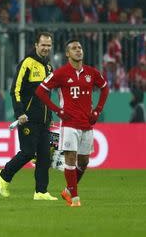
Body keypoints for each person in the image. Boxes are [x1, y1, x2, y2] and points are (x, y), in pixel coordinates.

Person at [35, 39, 109, 207]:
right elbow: (40, 91)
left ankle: (68, 189)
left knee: (83, 162)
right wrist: (58, 110)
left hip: (87, 124)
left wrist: (97, 110)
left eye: (80, 47)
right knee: (70, 158)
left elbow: (105, 88)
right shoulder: (61, 73)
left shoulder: (91, 72)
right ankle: (74, 199)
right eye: (74, 48)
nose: (78, 50)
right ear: (67, 53)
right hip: (69, 124)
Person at [0, 32, 57, 201]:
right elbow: (15, 89)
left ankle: (41, 192)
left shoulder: (49, 67)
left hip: (44, 120)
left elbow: (48, 95)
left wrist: (50, 115)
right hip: (28, 118)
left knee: (45, 156)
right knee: (28, 152)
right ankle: (3, 175)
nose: (46, 48)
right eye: (43, 45)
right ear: (36, 45)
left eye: (49, 45)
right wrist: (19, 113)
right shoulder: (27, 63)